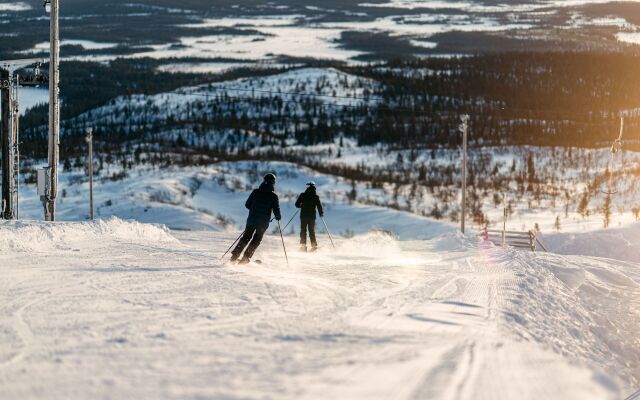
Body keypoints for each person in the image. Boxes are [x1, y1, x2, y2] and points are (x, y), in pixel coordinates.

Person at [231, 173, 281, 264]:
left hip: (251, 220)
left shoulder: (255, 192)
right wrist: (278, 217)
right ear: (273, 183)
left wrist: (254, 210)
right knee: (256, 240)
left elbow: (247, 205)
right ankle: (245, 258)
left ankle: (234, 256)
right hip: (263, 223)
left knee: (245, 238)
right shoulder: (274, 196)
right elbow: (276, 209)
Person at [295, 181, 324, 252]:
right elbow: (319, 206)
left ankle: (303, 246)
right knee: (311, 231)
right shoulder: (316, 197)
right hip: (312, 217)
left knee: (303, 230)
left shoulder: (303, 195)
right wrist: (321, 213)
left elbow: (296, 204)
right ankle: (314, 246)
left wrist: (301, 205)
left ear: (307, 187)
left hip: (303, 216)